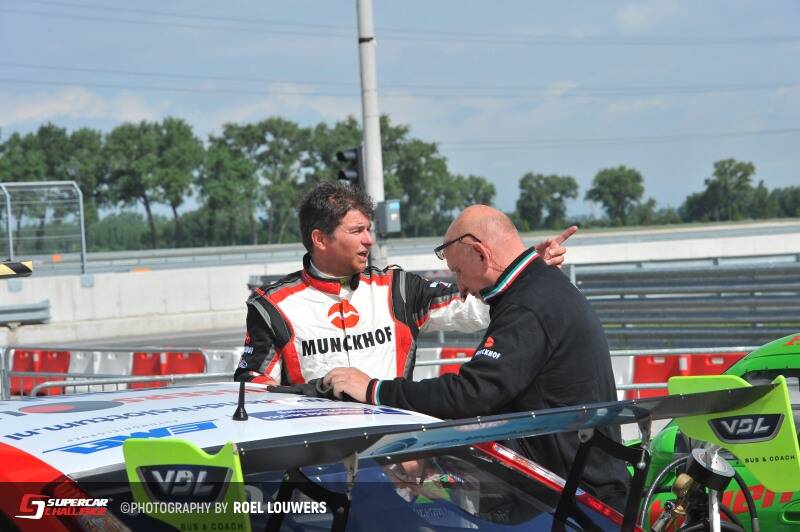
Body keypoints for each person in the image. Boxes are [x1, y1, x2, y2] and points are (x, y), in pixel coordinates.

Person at [323, 204, 629, 510]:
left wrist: (374, 389)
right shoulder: (539, 286)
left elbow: (471, 395)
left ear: (481, 254)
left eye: (457, 271)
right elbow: (497, 399)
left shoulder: (527, 304)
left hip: (577, 501)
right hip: (579, 487)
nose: (461, 287)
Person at [234, 182, 575, 385]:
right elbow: (254, 392)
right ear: (320, 239)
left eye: (369, 229)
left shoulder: (396, 288)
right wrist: (319, 393)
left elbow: (473, 308)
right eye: (357, 231)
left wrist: (521, 270)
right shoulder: (272, 306)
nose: (369, 240)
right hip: (318, 462)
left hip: (394, 456)